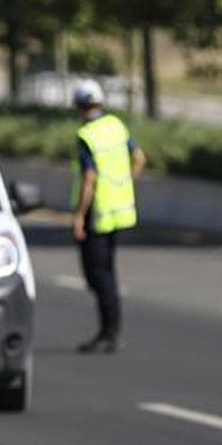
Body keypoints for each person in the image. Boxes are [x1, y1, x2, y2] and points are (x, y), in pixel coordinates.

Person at [71, 80, 146, 354]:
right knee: (108, 273)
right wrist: (125, 185)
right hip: (119, 210)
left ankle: (109, 332)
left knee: (99, 275)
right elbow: (139, 158)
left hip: (98, 213)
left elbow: (89, 178)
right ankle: (110, 330)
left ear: (78, 105)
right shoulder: (116, 125)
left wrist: (79, 216)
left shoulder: (87, 135)